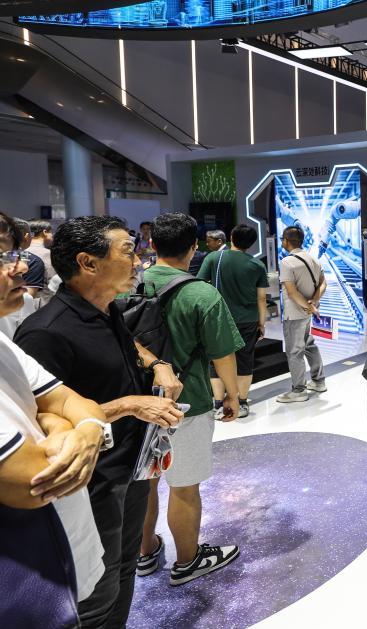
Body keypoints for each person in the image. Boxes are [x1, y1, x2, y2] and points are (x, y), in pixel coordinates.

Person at [15, 215, 185, 628]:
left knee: (124, 571)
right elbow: (37, 426)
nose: (138, 260)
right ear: (88, 263)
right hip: (89, 487)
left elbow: (131, 346)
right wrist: (127, 405)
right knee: (93, 595)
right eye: (128, 251)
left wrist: (157, 364)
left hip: (130, 469)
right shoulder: (45, 333)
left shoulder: (106, 312)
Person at [0, 212, 108, 619]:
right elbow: (34, 481)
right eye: (1, 256)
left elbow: (74, 404)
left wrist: (76, 425)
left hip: (71, 560)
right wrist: (63, 424)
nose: (18, 267)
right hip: (28, 589)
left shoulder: (4, 344)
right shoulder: (46, 329)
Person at [137, 213, 243, 587]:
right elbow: (223, 354)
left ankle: (145, 552)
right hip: (188, 403)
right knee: (183, 486)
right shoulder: (202, 294)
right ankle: (186, 561)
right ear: (194, 247)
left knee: (145, 483)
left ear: (152, 244)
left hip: (137, 402)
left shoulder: (126, 285)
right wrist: (232, 396)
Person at [197, 224, 269, 418]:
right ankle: (242, 403)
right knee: (245, 361)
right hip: (248, 320)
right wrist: (262, 323)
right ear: (251, 243)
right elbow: (261, 298)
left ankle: (218, 404)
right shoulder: (257, 265)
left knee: (216, 360)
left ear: (231, 237)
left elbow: (200, 285)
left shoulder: (213, 258)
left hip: (219, 318)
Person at [277, 225, 327, 403]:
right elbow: (323, 283)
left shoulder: (287, 262)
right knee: (308, 345)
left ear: (286, 241)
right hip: (307, 314)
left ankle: (299, 390)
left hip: (294, 314)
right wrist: (313, 302)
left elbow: (291, 292)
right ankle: (318, 381)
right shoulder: (313, 259)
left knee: (294, 352)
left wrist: (308, 306)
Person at [27, 219, 57, 307]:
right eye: (51, 232)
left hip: (22, 302)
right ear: (44, 232)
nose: (52, 235)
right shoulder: (47, 254)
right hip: (43, 303)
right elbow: (53, 281)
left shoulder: (21, 251)